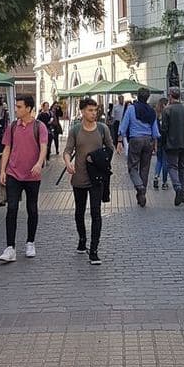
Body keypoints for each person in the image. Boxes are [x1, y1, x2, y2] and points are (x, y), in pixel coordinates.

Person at [64, 95, 119, 264]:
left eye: (95, 110)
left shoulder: (103, 129)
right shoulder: (75, 130)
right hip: (79, 177)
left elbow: (111, 148)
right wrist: (68, 163)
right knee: (79, 212)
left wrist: (99, 159)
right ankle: (82, 239)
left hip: (97, 177)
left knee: (96, 212)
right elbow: (67, 150)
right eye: (90, 110)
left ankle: (94, 250)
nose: (93, 113)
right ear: (82, 111)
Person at [0, 94, 49, 262]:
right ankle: (10, 247)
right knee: (11, 208)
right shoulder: (13, 127)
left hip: (32, 175)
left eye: (19, 107)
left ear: (28, 108)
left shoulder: (39, 127)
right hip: (13, 173)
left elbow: (43, 147)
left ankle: (30, 242)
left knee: (32, 208)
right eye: (16, 106)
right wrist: (2, 170)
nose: (17, 109)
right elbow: (7, 148)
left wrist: (39, 163)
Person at [118, 88, 160, 207]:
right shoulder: (151, 111)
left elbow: (123, 126)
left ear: (137, 96)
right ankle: (142, 194)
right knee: (145, 168)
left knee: (132, 167)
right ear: (148, 97)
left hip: (135, 140)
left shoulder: (131, 109)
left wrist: (120, 138)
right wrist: (155, 143)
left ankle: (139, 187)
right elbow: (155, 130)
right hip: (148, 141)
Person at [161, 86, 184, 205]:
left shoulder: (167, 110)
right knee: (182, 167)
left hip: (172, 143)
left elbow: (164, 129)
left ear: (170, 96)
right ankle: (183, 191)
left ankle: (178, 188)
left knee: (172, 167)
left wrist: (163, 142)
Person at [152, 96, 170, 189]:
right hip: (166, 141)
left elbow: (154, 131)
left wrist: (154, 144)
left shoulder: (156, 116)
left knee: (159, 161)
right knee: (165, 162)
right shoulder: (167, 115)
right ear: (164, 105)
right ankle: (164, 182)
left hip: (158, 141)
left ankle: (156, 176)